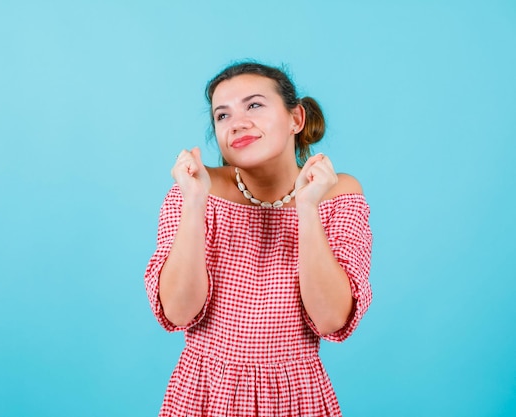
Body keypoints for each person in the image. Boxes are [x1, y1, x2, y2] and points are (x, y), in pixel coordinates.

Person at [144, 61, 373, 417]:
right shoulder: (194, 191)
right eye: (222, 116)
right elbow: (177, 312)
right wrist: (194, 203)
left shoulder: (337, 194)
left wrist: (307, 208)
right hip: (207, 395)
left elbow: (331, 320)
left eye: (254, 105)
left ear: (296, 119)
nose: (237, 123)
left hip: (297, 397)